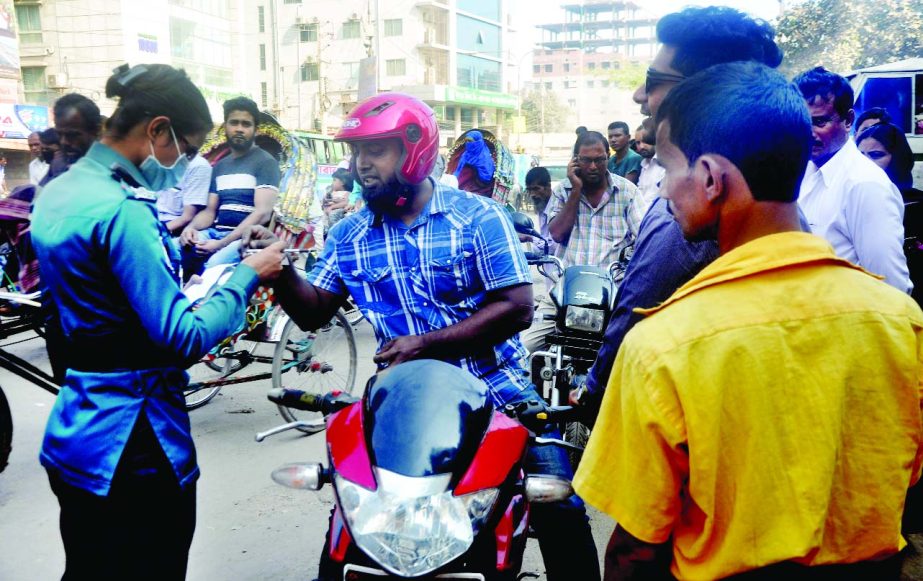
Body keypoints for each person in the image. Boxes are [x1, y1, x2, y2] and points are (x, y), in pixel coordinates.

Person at [575, 59, 923, 581]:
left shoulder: (663, 346)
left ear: (712, 178)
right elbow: (904, 477)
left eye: (670, 170)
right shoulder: (900, 320)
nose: (665, 190)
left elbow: (635, 550)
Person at [244, 92, 600, 581]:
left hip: (499, 397)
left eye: (376, 151)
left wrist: (425, 343)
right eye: (357, 153)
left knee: (559, 504)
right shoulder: (350, 234)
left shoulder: (478, 217)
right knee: (351, 523)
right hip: (400, 408)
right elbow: (314, 313)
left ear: (414, 149)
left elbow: (516, 309)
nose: (361, 165)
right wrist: (280, 271)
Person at [30, 63, 285, 580]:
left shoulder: (56, 194)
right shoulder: (124, 211)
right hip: (135, 442)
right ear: (157, 130)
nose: (184, 162)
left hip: (76, 427)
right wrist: (246, 275)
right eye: (185, 147)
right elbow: (181, 336)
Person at [583, 5, 783, 403]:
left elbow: (634, 316)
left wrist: (594, 391)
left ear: (700, 93)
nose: (639, 95)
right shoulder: (766, 184)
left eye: (653, 81)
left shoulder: (692, 207)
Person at [795, 66, 911, 292]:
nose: (808, 132)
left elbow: (890, 286)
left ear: (848, 121)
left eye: (819, 122)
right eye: (801, 121)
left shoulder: (865, 185)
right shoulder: (804, 172)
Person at [179, 96, 280, 279]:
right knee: (172, 248)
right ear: (225, 126)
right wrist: (190, 228)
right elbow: (210, 212)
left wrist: (221, 244)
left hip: (246, 239)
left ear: (255, 130)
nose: (239, 129)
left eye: (246, 124)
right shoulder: (220, 166)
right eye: (234, 123)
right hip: (215, 233)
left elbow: (262, 213)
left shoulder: (265, 162)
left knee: (213, 266)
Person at [857, 122, 923, 305]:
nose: (866, 163)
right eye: (860, 156)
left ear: (898, 159)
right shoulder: (850, 200)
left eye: (876, 155)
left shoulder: (917, 205)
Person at [156, 153, 212, 236]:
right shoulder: (157, 160)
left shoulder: (198, 165)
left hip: (169, 227)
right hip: (148, 219)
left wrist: (158, 231)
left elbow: (187, 217)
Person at [53, 92, 102, 165]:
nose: (63, 142)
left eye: (72, 135)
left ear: (96, 130)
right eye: (59, 134)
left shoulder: (112, 168)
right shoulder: (58, 163)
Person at [321, 167, 353, 234]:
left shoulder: (347, 193)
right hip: (325, 220)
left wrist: (332, 207)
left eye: (334, 180)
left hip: (335, 215)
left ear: (343, 182)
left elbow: (346, 202)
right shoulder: (332, 192)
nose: (332, 183)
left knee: (333, 216)